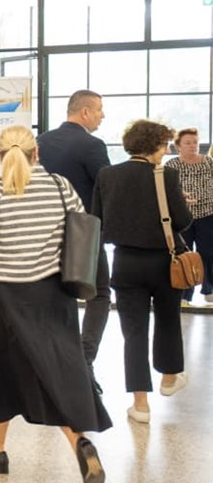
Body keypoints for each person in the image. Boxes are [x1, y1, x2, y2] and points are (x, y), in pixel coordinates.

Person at [0, 125, 110, 483]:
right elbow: (79, 232)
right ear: (36, 153)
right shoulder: (60, 187)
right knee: (57, 369)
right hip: (55, 296)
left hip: (4, 300)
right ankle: (76, 441)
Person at [92, 120, 193, 424]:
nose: (166, 150)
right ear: (156, 145)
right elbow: (183, 221)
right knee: (168, 320)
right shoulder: (166, 175)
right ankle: (169, 379)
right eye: (164, 144)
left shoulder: (107, 175)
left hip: (125, 262)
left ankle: (140, 405)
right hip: (165, 262)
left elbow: (96, 219)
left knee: (133, 332)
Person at [36, 90, 110, 388]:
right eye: (99, 110)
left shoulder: (41, 141)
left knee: (53, 295)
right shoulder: (92, 145)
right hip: (84, 234)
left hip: (44, 232)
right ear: (85, 112)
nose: (102, 116)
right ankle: (84, 360)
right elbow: (106, 188)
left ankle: (51, 362)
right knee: (99, 294)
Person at [165, 127, 213, 304]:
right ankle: (185, 294)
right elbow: (167, 190)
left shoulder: (208, 162)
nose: (193, 146)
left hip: (208, 214)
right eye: (188, 143)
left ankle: (209, 289)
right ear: (178, 146)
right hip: (182, 216)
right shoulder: (171, 165)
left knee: (208, 252)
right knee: (184, 254)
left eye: (195, 142)